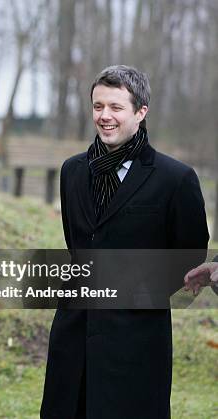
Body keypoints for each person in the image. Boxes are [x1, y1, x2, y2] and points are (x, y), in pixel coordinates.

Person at [41, 65, 209, 418]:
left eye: (116, 107)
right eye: (98, 106)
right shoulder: (72, 170)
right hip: (73, 333)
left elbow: (189, 257)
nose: (105, 116)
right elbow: (78, 244)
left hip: (137, 340)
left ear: (141, 111)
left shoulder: (175, 179)